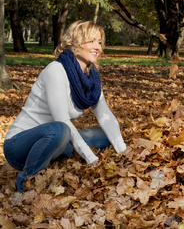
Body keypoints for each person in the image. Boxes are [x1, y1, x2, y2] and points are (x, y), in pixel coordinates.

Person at [4, 20, 127, 192]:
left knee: (108, 135)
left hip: (56, 143)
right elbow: (62, 120)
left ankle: (56, 159)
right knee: (60, 129)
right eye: (91, 41)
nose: (97, 47)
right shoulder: (56, 70)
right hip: (20, 146)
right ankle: (27, 179)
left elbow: (105, 116)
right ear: (76, 43)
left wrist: (124, 152)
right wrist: (91, 159)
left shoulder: (91, 79)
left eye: (99, 42)